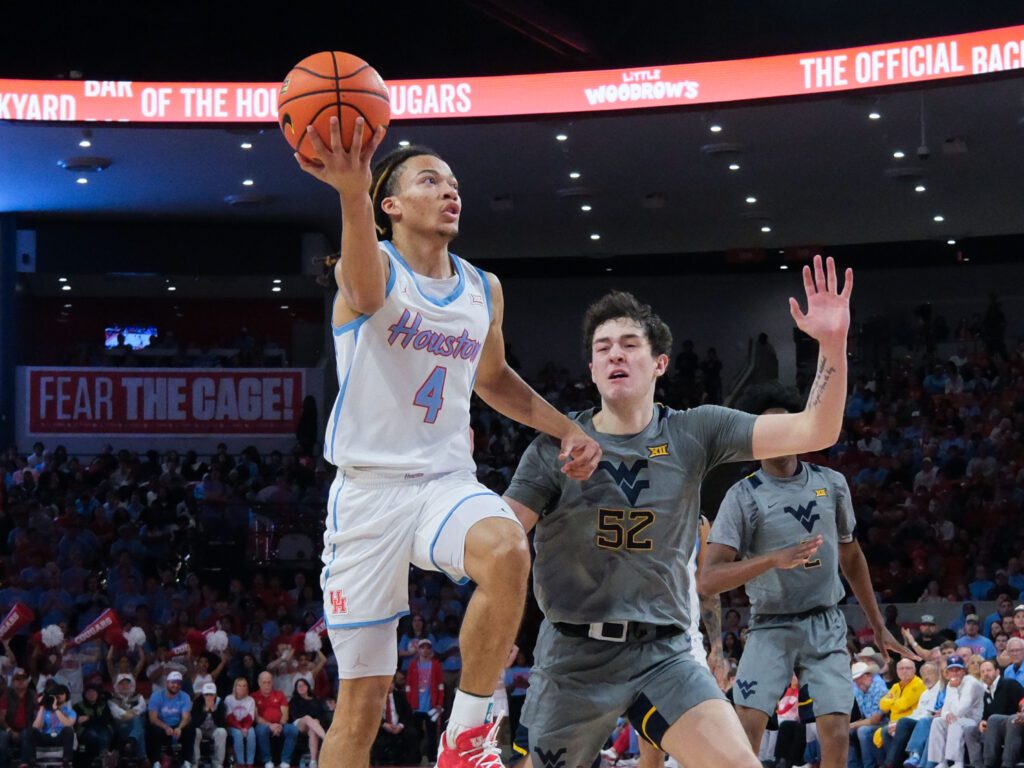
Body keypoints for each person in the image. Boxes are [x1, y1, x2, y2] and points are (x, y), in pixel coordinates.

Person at [294, 115, 600, 768]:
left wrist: (567, 426)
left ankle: (465, 738)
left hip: (442, 484)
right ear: (392, 204)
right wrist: (350, 191)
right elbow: (369, 289)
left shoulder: (482, 288)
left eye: (454, 183)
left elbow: (494, 379)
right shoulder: (370, 268)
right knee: (361, 706)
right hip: (368, 496)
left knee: (507, 549)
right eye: (431, 180)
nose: (450, 191)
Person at [502, 255, 858, 768]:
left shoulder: (695, 431)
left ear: (660, 363)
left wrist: (831, 344)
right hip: (572, 657)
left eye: (629, 345)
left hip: (664, 654)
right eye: (603, 349)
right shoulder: (554, 447)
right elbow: (501, 533)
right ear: (592, 369)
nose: (614, 355)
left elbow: (817, 431)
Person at [701, 380, 916, 768]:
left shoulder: (831, 484)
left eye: (786, 426)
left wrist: (877, 623)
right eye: (769, 429)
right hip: (769, 624)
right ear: (756, 438)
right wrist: (771, 560)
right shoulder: (743, 495)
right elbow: (709, 579)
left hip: (826, 622)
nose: (779, 437)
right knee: (745, 731)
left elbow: (851, 557)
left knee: (835, 732)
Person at [925, 655, 984, 768]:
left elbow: (960, 710)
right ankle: (941, 762)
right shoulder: (950, 684)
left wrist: (953, 689)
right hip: (958, 718)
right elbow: (945, 709)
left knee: (955, 721)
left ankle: (958, 762)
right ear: (948, 672)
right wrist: (947, 713)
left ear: (963, 671)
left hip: (973, 720)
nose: (955, 673)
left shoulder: (971, 683)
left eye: (958, 670)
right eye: (951, 670)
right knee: (937, 721)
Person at [963, 659, 1024, 768]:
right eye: (982, 672)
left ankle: (993, 764)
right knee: (970, 731)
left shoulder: (1009, 684)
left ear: (997, 672)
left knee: (994, 719)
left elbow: (1022, 700)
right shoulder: (986, 692)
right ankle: (977, 765)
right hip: (994, 727)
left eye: (989, 670)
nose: (986, 674)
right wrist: (982, 721)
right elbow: (986, 714)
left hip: (1013, 723)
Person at [146, 670, 194, 768]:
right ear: (167, 683)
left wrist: (180, 727)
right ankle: (156, 762)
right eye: (173, 682)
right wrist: (165, 727)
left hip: (177, 724)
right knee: (154, 729)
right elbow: (153, 718)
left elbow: (186, 717)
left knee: (190, 728)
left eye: (178, 683)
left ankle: (186, 761)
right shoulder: (156, 696)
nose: (175, 685)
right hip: (161, 724)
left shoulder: (185, 696)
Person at [25, 683, 76, 768]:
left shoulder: (69, 712)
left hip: (60, 737)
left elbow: (68, 724)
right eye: (56, 694)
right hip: (45, 737)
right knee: (31, 731)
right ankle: (32, 762)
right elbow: (36, 727)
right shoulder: (43, 711)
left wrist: (55, 708)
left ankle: (66, 761)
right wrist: (42, 706)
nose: (58, 696)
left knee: (68, 730)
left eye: (61, 693)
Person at [252, 671, 297, 768]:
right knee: (261, 730)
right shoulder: (254, 697)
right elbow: (256, 717)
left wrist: (279, 725)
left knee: (292, 729)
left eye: (269, 682)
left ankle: (285, 761)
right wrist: (270, 725)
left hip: (280, 724)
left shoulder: (280, 694)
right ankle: (267, 761)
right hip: (264, 725)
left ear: (272, 682)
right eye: (264, 682)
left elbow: (285, 714)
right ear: (259, 683)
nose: (267, 685)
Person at [108, 673, 147, 762]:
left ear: (132, 684)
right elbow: (118, 715)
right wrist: (130, 713)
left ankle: (131, 742)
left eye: (127, 683)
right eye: (121, 684)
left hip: (135, 726)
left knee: (138, 723)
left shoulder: (138, 697)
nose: (125, 686)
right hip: (121, 727)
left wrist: (126, 714)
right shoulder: (112, 699)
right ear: (116, 685)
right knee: (138, 723)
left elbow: (142, 709)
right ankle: (142, 757)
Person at [74, 683, 114, 768]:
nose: (91, 694)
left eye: (93, 692)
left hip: (103, 729)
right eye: (88, 692)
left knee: (103, 735)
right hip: (86, 731)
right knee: (93, 734)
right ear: (84, 694)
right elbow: (81, 722)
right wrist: (97, 719)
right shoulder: (78, 706)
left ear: (97, 693)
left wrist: (89, 718)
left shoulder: (103, 705)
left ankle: (104, 758)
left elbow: (107, 720)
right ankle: (98, 758)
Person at [288, 679, 326, 768]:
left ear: (308, 687)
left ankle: (313, 762)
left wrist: (317, 720)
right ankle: (326, 738)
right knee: (307, 718)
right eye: (299, 686)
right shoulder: (294, 700)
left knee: (313, 731)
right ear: (296, 689)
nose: (301, 687)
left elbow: (322, 715)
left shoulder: (316, 700)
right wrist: (312, 721)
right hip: (299, 723)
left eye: (303, 685)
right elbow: (294, 715)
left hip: (313, 725)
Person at [191, 683, 227, 768]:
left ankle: (218, 763)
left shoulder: (219, 702)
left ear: (215, 694)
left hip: (213, 729)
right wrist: (205, 711)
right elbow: (194, 723)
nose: (209, 697)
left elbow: (222, 724)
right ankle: (195, 762)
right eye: (206, 694)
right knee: (195, 731)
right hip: (201, 729)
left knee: (222, 732)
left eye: (211, 694)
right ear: (203, 694)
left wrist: (214, 711)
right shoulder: (198, 702)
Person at [224, 678, 256, 768]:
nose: (242, 688)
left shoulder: (251, 700)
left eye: (244, 686)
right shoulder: (228, 699)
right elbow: (230, 718)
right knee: (238, 734)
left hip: (246, 725)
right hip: (232, 726)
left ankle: (250, 763)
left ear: (247, 688)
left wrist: (245, 728)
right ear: (235, 687)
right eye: (239, 685)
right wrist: (240, 728)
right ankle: (240, 763)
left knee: (252, 733)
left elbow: (250, 717)